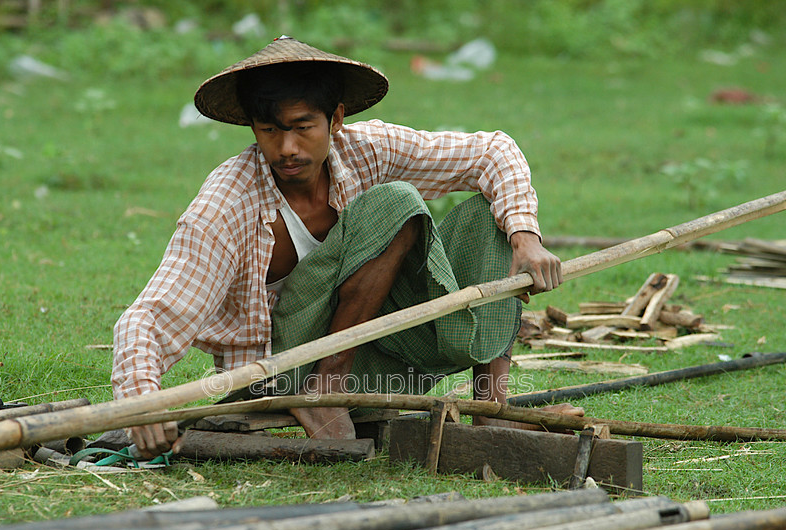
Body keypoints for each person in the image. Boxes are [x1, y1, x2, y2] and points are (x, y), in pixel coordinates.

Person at [112, 36, 582, 458]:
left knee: (490, 213)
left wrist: (526, 238)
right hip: (289, 370)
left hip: (376, 357)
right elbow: (152, 314)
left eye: (303, 127)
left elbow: (494, 152)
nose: (287, 148)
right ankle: (326, 390)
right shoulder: (227, 201)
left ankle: (490, 410)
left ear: (336, 119)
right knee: (397, 201)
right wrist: (142, 402)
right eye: (269, 130)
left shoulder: (367, 149)